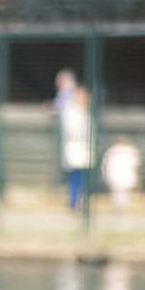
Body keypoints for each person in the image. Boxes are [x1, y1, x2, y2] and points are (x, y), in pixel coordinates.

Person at [54, 69, 92, 209]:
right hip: (75, 146)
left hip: (84, 147)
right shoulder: (72, 111)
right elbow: (72, 131)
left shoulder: (84, 112)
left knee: (82, 175)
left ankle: (78, 200)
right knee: (76, 175)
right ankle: (74, 200)